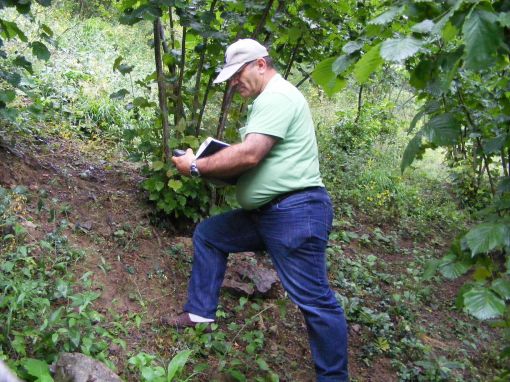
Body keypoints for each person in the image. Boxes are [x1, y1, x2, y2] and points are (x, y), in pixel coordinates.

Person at [167, 38, 349, 381]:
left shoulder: (277, 96)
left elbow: (251, 154)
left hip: (294, 213)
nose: (234, 83)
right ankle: (199, 315)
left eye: (238, 74)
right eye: (231, 77)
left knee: (316, 302)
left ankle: (334, 378)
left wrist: (196, 167)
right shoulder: (269, 100)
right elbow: (261, 163)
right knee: (210, 235)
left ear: (261, 64)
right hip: (270, 214)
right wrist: (222, 169)